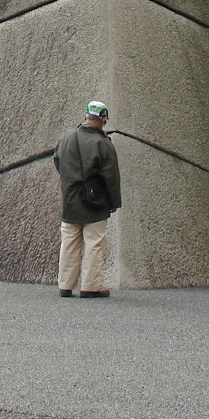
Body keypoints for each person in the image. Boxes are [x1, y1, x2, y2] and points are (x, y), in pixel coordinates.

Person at [53, 98, 121, 298]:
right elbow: (111, 176)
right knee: (93, 242)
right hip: (95, 201)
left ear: (85, 117)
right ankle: (90, 286)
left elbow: (57, 161)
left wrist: (69, 181)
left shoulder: (66, 137)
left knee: (69, 241)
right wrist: (114, 202)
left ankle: (65, 285)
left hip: (70, 199)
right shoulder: (103, 143)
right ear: (103, 120)